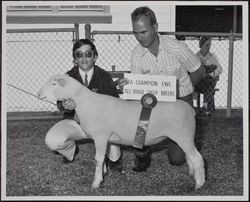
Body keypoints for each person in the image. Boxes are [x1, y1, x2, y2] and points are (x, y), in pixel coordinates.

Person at [119, 6, 206, 172]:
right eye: (135, 33)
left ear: (155, 28)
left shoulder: (176, 47)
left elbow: (199, 70)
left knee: (177, 159)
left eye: (143, 32)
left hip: (180, 100)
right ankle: (142, 154)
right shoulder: (136, 53)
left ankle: (181, 139)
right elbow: (138, 90)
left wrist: (186, 92)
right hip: (153, 101)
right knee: (139, 122)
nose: (139, 37)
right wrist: (129, 86)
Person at [45, 39, 122, 171]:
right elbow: (59, 104)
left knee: (114, 156)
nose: (84, 58)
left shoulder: (104, 76)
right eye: (79, 55)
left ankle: (114, 157)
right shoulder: (67, 77)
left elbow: (114, 103)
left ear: (95, 57)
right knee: (52, 140)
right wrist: (65, 105)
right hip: (76, 123)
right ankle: (70, 150)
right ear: (75, 59)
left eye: (88, 54)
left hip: (100, 124)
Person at [195, 36, 223, 116]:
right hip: (199, 83)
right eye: (206, 45)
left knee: (210, 81)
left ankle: (205, 108)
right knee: (210, 85)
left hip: (209, 80)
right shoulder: (196, 56)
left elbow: (220, 69)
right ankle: (208, 108)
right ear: (201, 45)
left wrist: (210, 74)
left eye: (210, 45)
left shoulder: (212, 56)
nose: (208, 48)